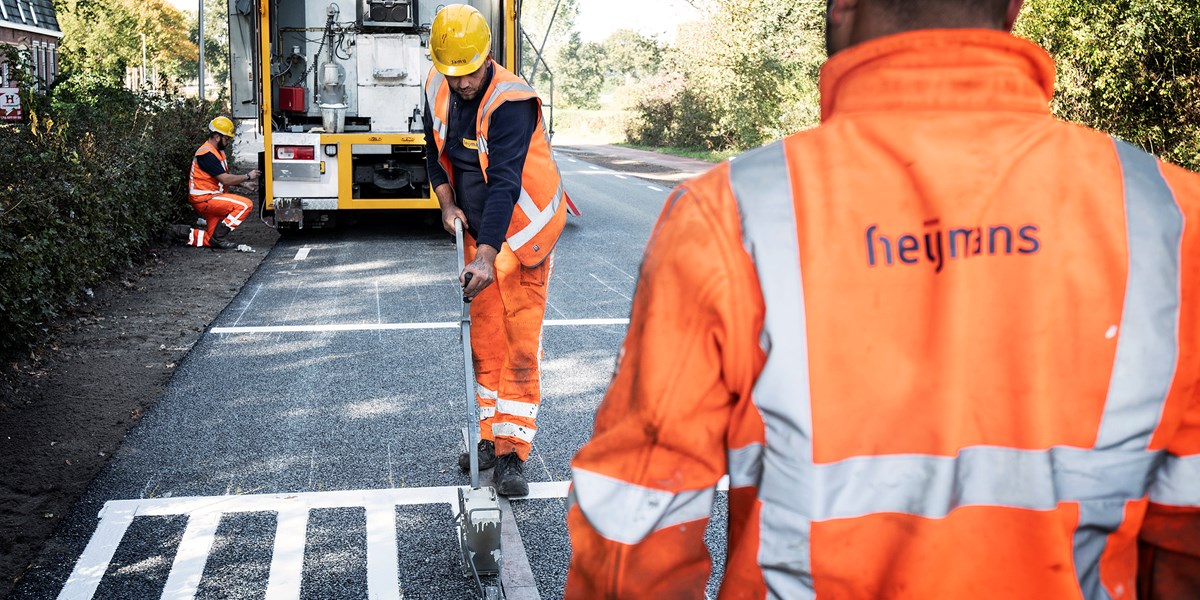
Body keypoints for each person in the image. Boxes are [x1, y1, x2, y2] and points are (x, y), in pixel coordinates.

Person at [565, 0, 1200, 597]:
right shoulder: (1171, 217)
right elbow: (1186, 534)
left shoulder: (732, 214)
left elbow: (636, 519)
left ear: (842, 4)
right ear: (1013, 5)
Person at [423, 4, 567, 496]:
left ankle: (512, 454)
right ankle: (487, 438)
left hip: (522, 236)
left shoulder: (513, 102)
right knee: (483, 343)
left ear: (487, 56)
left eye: (468, 73)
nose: (460, 83)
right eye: (451, 73)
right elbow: (434, 154)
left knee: (520, 347)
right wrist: (446, 205)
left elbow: (504, 182)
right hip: (477, 236)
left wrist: (487, 255)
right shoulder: (437, 86)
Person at [169, 116, 260, 250]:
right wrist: (247, 176)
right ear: (217, 137)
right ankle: (219, 238)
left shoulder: (215, 152)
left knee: (210, 239)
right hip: (206, 199)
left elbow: (221, 177)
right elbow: (225, 179)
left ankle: (175, 231)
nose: (228, 141)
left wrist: (243, 184)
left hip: (210, 198)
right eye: (227, 138)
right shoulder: (207, 154)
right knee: (245, 205)